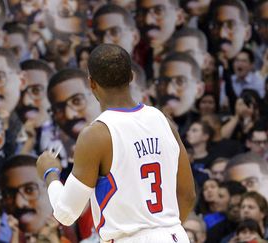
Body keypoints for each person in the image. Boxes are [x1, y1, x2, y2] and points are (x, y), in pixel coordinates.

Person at [36, 44, 196, 242]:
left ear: (91, 83)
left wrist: (50, 173)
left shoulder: (97, 134)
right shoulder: (162, 120)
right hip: (174, 236)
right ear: (131, 76)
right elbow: (188, 195)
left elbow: (66, 214)